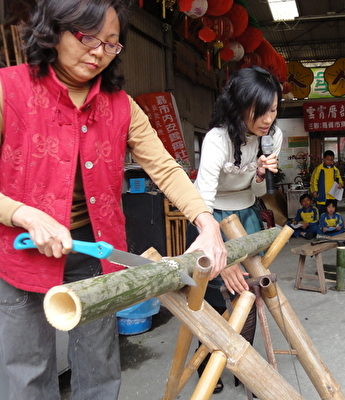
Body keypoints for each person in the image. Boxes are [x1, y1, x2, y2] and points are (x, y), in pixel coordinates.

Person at [0, 2, 227, 399]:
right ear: (53, 31)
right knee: (26, 372)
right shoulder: (9, 89)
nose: (98, 53)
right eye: (88, 38)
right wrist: (24, 214)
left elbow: (165, 168)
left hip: (93, 250)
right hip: (19, 250)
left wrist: (207, 223)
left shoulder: (121, 106)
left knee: (99, 365)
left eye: (111, 43)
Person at [189, 66, 282, 392]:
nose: (268, 119)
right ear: (239, 106)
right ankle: (206, 369)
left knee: (248, 293)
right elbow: (202, 199)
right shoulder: (217, 139)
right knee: (211, 297)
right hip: (210, 217)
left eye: (273, 110)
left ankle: (244, 366)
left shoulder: (272, 137)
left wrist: (260, 174)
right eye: (260, 111)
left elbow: (258, 193)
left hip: (246, 215)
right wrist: (223, 257)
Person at [310, 150, 344, 215]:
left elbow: (339, 179)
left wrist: (341, 184)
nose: (329, 161)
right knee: (322, 214)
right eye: (327, 159)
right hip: (322, 196)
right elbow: (313, 180)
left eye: (331, 160)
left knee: (333, 214)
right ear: (323, 159)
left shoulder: (335, 169)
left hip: (333, 196)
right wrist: (314, 191)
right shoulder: (319, 169)